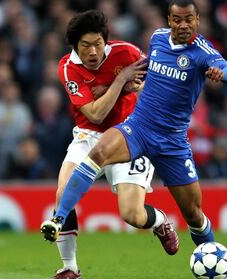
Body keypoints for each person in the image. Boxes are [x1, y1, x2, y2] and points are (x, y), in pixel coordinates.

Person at [42, 1, 227, 278]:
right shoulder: (157, 38)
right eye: (177, 19)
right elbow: (99, 113)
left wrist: (222, 74)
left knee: (183, 213)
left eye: (189, 20)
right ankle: (65, 250)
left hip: (171, 140)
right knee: (91, 159)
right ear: (169, 20)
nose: (183, 25)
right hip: (133, 129)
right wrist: (124, 82)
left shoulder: (197, 51)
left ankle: (217, 268)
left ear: (197, 20)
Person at [40, 10, 178, 279]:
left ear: (106, 41)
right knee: (62, 194)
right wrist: (120, 81)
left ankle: (160, 222)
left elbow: (157, 80)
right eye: (85, 45)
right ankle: (70, 268)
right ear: (75, 47)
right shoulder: (68, 67)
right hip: (88, 135)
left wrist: (137, 87)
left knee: (132, 215)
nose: (92, 51)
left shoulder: (127, 52)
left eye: (97, 43)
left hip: (131, 134)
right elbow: (95, 114)